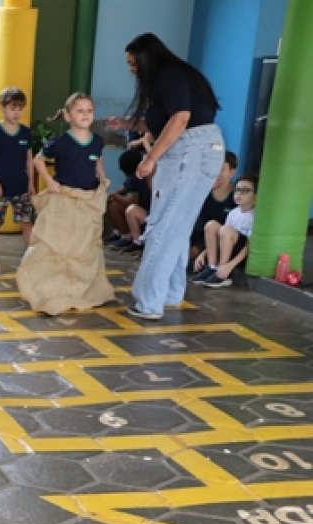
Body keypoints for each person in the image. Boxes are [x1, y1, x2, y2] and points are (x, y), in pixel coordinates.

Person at [108, 33, 223, 321]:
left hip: (189, 151)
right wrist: (125, 124)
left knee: (162, 224)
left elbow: (180, 119)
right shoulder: (179, 75)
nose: (131, 69)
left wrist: (150, 158)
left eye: (133, 63)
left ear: (147, 59)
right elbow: (164, 120)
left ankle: (148, 302)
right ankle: (170, 293)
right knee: (178, 225)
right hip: (204, 148)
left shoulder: (168, 76)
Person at [17, 92, 115, 316]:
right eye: (80, 111)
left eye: (89, 111)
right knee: (57, 244)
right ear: (68, 116)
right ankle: (49, 289)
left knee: (85, 246)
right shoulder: (61, 142)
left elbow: (97, 159)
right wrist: (49, 182)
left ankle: (79, 288)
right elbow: (38, 160)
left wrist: (103, 176)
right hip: (63, 199)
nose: (85, 115)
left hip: (87, 200)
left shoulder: (97, 141)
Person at [0, 87, 35, 275]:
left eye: (20, 108)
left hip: (20, 185)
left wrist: (31, 182)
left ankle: (30, 258)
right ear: (1, 108)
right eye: (12, 108)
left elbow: (29, 159)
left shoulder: (25, 132)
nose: (16, 112)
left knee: (27, 222)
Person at [190, 173, 256, 289]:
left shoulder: (255, 216)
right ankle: (212, 267)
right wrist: (203, 254)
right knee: (211, 225)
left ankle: (222, 273)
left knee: (226, 230)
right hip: (227, 249)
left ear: (256, 195)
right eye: (237, 190)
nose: (239, 194)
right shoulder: (233, 212)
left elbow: (249, 245)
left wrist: (229, 266)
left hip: (240, 256)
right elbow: (220, 237)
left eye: (245, 191)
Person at [189, 151, 238, 262]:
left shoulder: (237, 195)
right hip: (197, 235)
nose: (215, 172)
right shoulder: (201, 190)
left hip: (219, 241)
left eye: (221, 169)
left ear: (231, 173)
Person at [105, 148, 149, 249]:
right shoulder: (133, 179)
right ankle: (119, 233)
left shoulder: (134, 180)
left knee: (114, 207)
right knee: (110, 203)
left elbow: (132, 201)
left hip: (143, 218)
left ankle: (127, 236)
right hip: (143, 216)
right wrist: (112, 195)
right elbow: (122, 189)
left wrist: (115, 196)